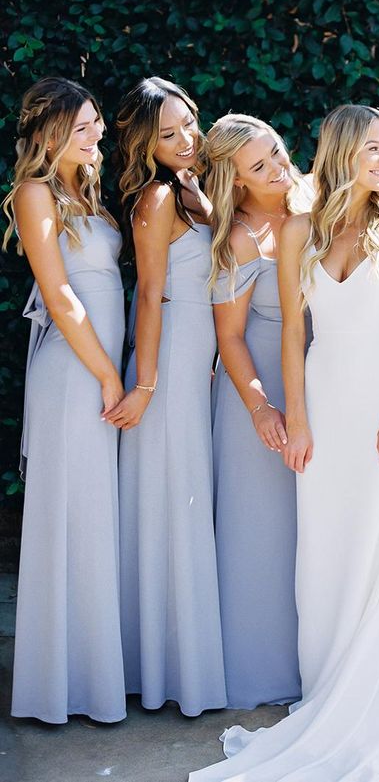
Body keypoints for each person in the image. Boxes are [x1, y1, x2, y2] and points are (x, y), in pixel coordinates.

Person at [189, 104, 379, 782]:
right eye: (374, 150)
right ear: (343, 151)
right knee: (321, 556)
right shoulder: (301, 229)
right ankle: (325, 694)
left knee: (374, 558)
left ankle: (367, 709)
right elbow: (295, 335)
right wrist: (295, 417)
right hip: (322, 404)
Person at [3, 77, 126, 723]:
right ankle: (57, 686)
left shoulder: (88, 192)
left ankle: (94, 678)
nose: (96, 134)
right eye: (82, 127)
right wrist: (109, 374)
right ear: (50, 134)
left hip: (98, 371)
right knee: (69, 517)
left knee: (94, 516)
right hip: (74, 372)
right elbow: (59, 298)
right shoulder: (35, 192)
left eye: (96, 124)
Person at [109, 76, 226, 715]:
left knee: (184, 498)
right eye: (168, 134)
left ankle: (174, 661)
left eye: (188, 126)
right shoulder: (156, 199)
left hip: (197, 359)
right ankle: (161, 669)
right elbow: (150, 293)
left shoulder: (192, 193)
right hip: (169, 361)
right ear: (144, 143)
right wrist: (147, 382)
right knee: (170, 501)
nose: (185, 141)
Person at [206, 114, 311, 709]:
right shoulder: (239, 237)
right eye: (260, 167)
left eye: (276, 152)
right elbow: (231, 339)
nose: (277, 169)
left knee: (307, 528)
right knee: (260, 530)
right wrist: (262, 409)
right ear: (236, 180)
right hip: (258, 392)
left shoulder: (315, 197)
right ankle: (258, 670)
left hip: (314, 381)